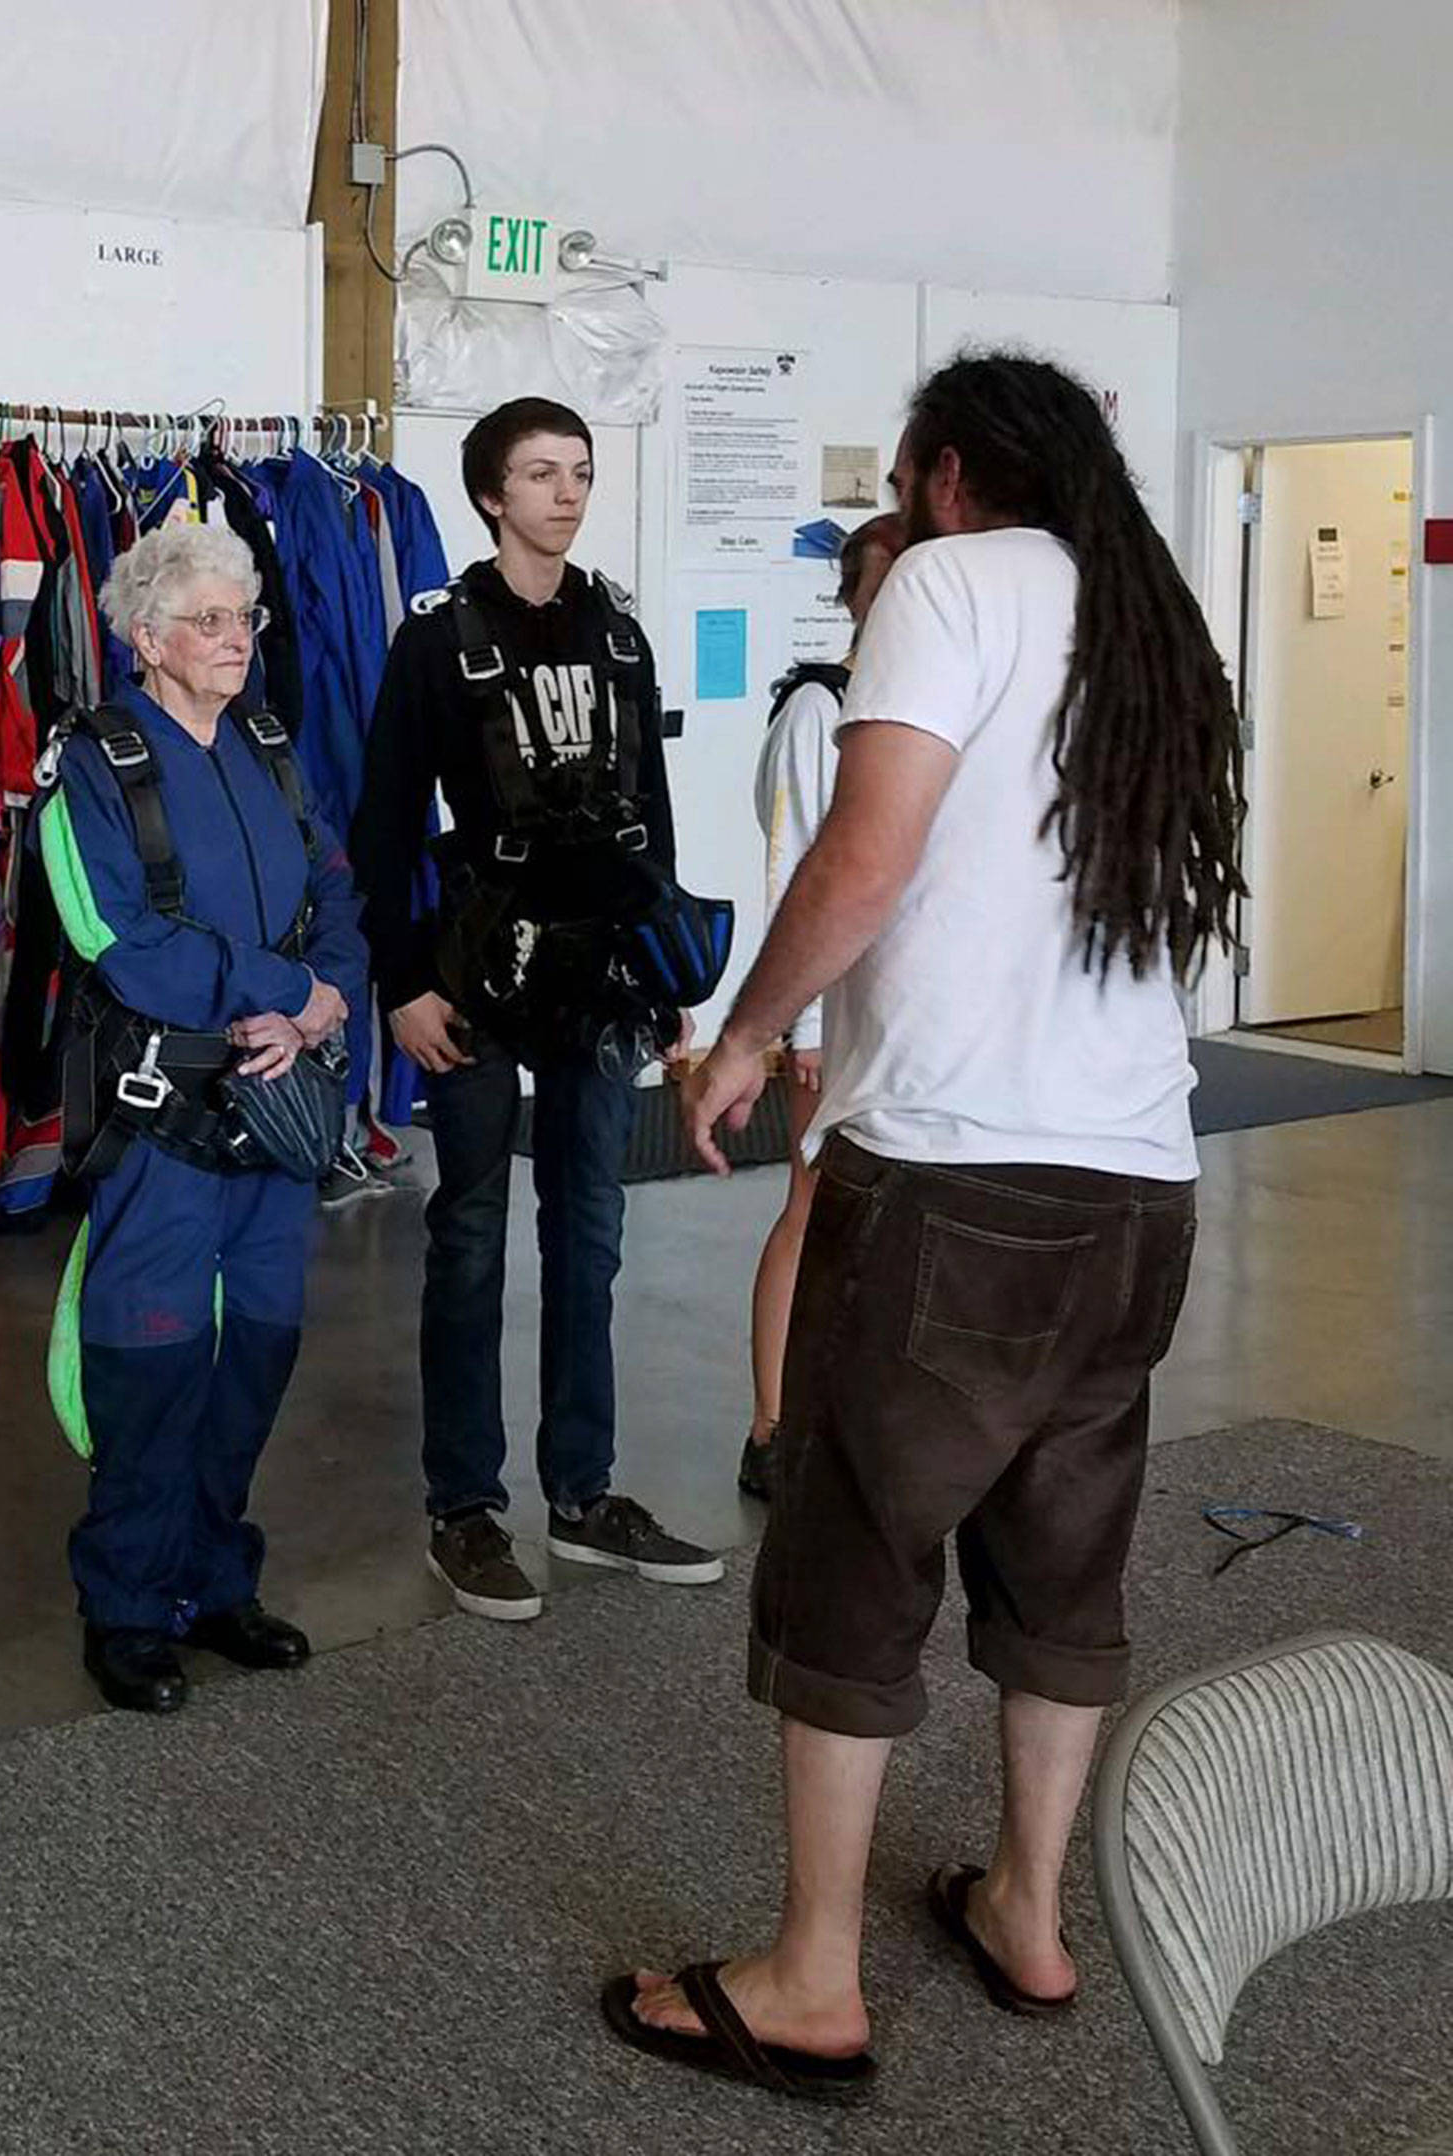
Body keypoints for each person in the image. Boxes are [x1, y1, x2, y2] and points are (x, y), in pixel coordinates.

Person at [606, 354, 1241, 2095]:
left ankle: (811, 1976)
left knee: (854, 1553)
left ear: (947, 474)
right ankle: (1029, 1910)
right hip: (1134, 1184)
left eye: (902, 480)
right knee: (1062, 1554)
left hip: (956, 1176)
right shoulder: (1149, 619)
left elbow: (863, 855)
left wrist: (744, 1035)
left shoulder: (950, 583)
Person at [352, 397, 724, 1622]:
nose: (564, 494)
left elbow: (649, 815)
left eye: (578, 472)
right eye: (537, 474)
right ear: (488, 495)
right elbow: (383, 829)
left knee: (590, 1234)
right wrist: (399, 982)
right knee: (466, 1236)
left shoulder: (617, 636)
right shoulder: (434, 645)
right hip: (469, 975)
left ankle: (583, 1491)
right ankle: (463, 1506)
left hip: (604, 974)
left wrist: (670, 973)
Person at [39, 522, 367, 1714]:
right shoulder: (92, 760)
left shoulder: (271, 751)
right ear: (147, 639)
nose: (238, 640)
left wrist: (324, 1002)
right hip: (164, 1116)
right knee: (153, 1360)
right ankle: (125, 1605)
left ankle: (214, 1582)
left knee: (253, 1358)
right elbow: (112, 936)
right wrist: (282, 991)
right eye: (213, 621)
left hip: (276, 1107)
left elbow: (336, 891)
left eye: (247, 619)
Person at [738, 514, 905, 1500]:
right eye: (880, 585)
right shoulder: (818, 710)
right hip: (831, 1015)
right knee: (811, 1207)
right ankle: (771, 1424)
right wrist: (797, 1024)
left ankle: (859, 1415)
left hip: (907, 1015)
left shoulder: (922, 705)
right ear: (850, 598)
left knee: (890, 1219)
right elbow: (795, 869)